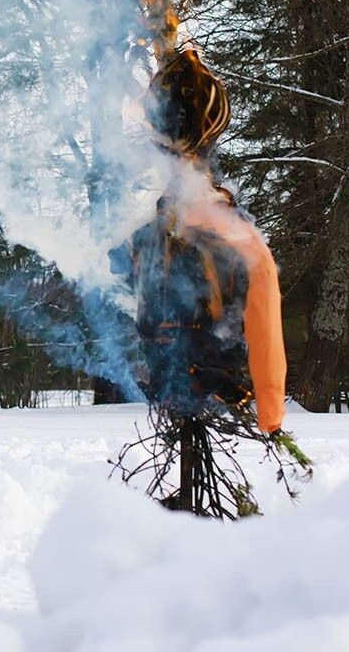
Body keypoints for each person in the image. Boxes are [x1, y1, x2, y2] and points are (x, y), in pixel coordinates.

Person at [111, 48, 285, 435]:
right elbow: (266, 325)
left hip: (181, 383)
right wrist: (271, 419)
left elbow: (117, 276)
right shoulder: (238, 239)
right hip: (201, 384)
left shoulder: (144, 235)